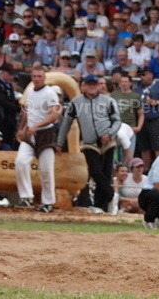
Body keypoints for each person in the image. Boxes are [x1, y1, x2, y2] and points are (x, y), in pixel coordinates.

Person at [56, 74, 121, 214]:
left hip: (108, 141)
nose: (92, 87)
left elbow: (117, 121)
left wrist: (109, 134)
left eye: (94, 84)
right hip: (89, 142)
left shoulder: (109, 101)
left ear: (99, 86)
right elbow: (66, 123)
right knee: (96, 172)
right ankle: (112, 196)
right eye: (89, 84)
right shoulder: (76, 102)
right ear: (83, 86)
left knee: (105, 173)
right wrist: (59, 142)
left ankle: (101, 205)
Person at [16, 66, 61, 213]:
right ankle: (26, 197)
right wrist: (21, 128)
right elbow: (27, 111)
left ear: (44, 78)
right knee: (21, 162)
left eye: (39, 76)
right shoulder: (29, 91)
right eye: (34, 76)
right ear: (31, 77)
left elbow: (54, 116)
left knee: (46, 170)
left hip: (46, 133)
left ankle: (48, 202)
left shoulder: (50, 93)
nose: (37, 79)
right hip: (30, 133)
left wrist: (36, 126)